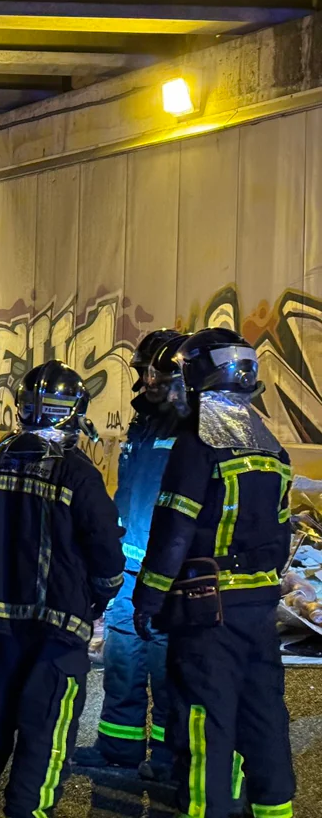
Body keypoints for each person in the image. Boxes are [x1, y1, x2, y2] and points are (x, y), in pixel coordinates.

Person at [0, 360, 125, 818]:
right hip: (57, 628)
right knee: (46, 730)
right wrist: (100, 595)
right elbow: (105, 549)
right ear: (76, 412)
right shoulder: (78, 475)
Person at [133, 328, 295, 817]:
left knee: (207, 718)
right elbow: (283, 536)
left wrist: (149, 597)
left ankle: (207, 808)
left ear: (200, 378)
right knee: (263, 712)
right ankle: (273, 809)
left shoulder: (198, 446)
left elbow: (173, 532)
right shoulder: (273, 450)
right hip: (260, 607)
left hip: (208, 610)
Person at [74, 330, 186, 779]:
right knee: (122, 657)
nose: (144, 380)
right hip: (130, 563)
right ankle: (118, 746)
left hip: (166, 571)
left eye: (150, 371)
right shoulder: (143, 424)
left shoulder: (192, 427)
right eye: (142, 371)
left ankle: (166, 756)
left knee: (164, 663)